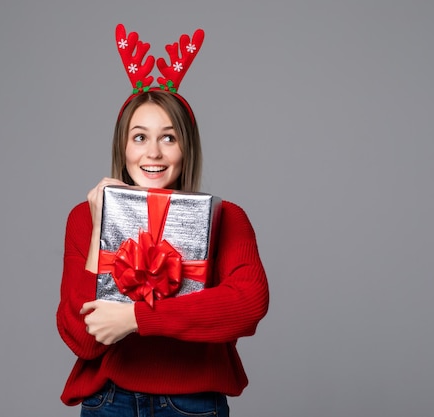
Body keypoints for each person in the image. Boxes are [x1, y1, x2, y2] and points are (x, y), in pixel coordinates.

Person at [56, 24, 269, 417]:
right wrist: (101, 228)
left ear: (186, 148)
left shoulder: (228, 219)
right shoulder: (84, 218)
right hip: (109, 402)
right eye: (140, 137)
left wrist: (136, 318)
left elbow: (248, 303)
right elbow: (84, 341)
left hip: (192, 404)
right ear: (123, 145)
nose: (153, 152)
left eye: (168, 137)